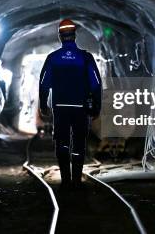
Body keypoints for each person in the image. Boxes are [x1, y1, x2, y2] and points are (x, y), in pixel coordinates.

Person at [38, 19, 102, 190]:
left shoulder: (53, 58)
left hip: (60, 108)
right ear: (75, 36)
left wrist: (43, 105)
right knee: (79, 143)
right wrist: (97, 106)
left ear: (60, 36)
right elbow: (96, 83)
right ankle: (76, 181)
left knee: (62, 143)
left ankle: (66, 182)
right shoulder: (85, 58)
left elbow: (44, 83)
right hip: (81, 108)